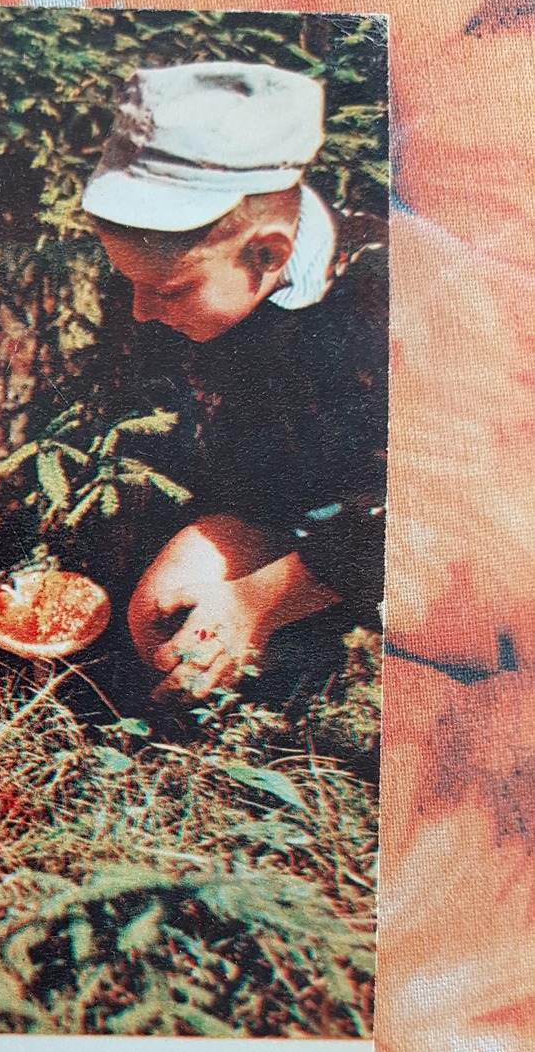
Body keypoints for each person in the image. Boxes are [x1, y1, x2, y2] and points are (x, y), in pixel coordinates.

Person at [80, 60, 387, 699]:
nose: (139, 311)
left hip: (427, 544)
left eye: (165, 290)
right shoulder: (217, 284)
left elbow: (436, 514)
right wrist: (222, 540)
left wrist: (260, 600)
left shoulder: (386, 306)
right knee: (165, 601)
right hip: (310, 518)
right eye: (127, 283)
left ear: (269, 255)